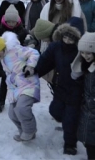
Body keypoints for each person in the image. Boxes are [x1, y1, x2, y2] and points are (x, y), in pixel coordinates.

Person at [0, 29, 40, 142]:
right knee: (12, 113)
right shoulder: (2, 58)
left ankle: (30, 130)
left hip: (28, 83)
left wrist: (30, 66)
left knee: (21, 108)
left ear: (1, 47)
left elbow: (34, 52)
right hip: (16, 88)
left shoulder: (16, 50)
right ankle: (24, 132)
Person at [35, 17, 84, 156]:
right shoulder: (56, 47)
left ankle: (70, 144)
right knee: (55, 111)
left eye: (72, 37)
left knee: (70, 119)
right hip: (60, 86)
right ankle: (73, 123)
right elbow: (45, 61)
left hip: (76, 90)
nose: (68, 40)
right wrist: (35, 71)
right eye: (66, 36)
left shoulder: (81, 50)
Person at [0, 4, 29, 113]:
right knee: (4, 82)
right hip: (4, 63)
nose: (11, 24)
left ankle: (18, 102)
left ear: (18, 21)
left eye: (13, 22)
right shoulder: (1, 31)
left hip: (18, 63)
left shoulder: (22, 31)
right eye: (9, 21)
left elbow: (28, 41)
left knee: (18, 83)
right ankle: (0, 102)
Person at [71, 32, 95, 160]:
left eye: (89, 53)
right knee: (89, 144)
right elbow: (74, 74)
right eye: (82, 52)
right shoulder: (86, 66)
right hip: (88, 112)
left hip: (91, 111)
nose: (85, 56)